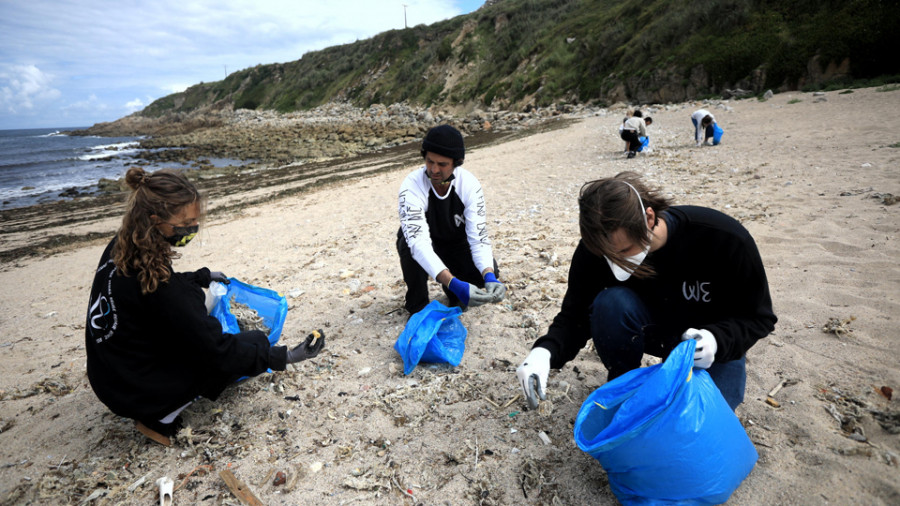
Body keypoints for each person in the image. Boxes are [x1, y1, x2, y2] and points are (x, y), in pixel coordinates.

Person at [85, 167, 325, 446]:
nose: (191, 229)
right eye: (184, 223)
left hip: (108, 375)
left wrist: (200, 278)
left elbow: (155, 293)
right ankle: (160, 418)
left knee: (205, 322)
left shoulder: (122, 245)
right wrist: (285, 357)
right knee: (254, 340)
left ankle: (156, 398)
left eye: (195, 221)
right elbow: (218, 350)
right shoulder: (164, 289)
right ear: (155, 220)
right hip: (136, 392)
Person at [516, 171, 776, 411]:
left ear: (649, 218)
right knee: (610, 302)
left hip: (708, 346)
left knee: (702, 416)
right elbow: (575, 316)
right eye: (605, 255)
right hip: (653, 330)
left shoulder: (721, 238)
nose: (615, 262)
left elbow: (759, 317)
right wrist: (544, 353)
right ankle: (624, 381)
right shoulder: (595, 250)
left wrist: (717, 340)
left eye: (624, 251)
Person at [396, 124, 506, 314]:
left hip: (456, 244)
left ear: (456, 163)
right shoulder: (411, 186)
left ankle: (454, 291)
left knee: (489, 271)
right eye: (430, 161)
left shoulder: (469, 185)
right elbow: (418, 243)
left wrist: (489, 276)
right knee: (407, 241)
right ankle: (417, 305)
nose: (434, 169)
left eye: (442, 164)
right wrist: (452, 281)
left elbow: (478, 237)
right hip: (425, 244)